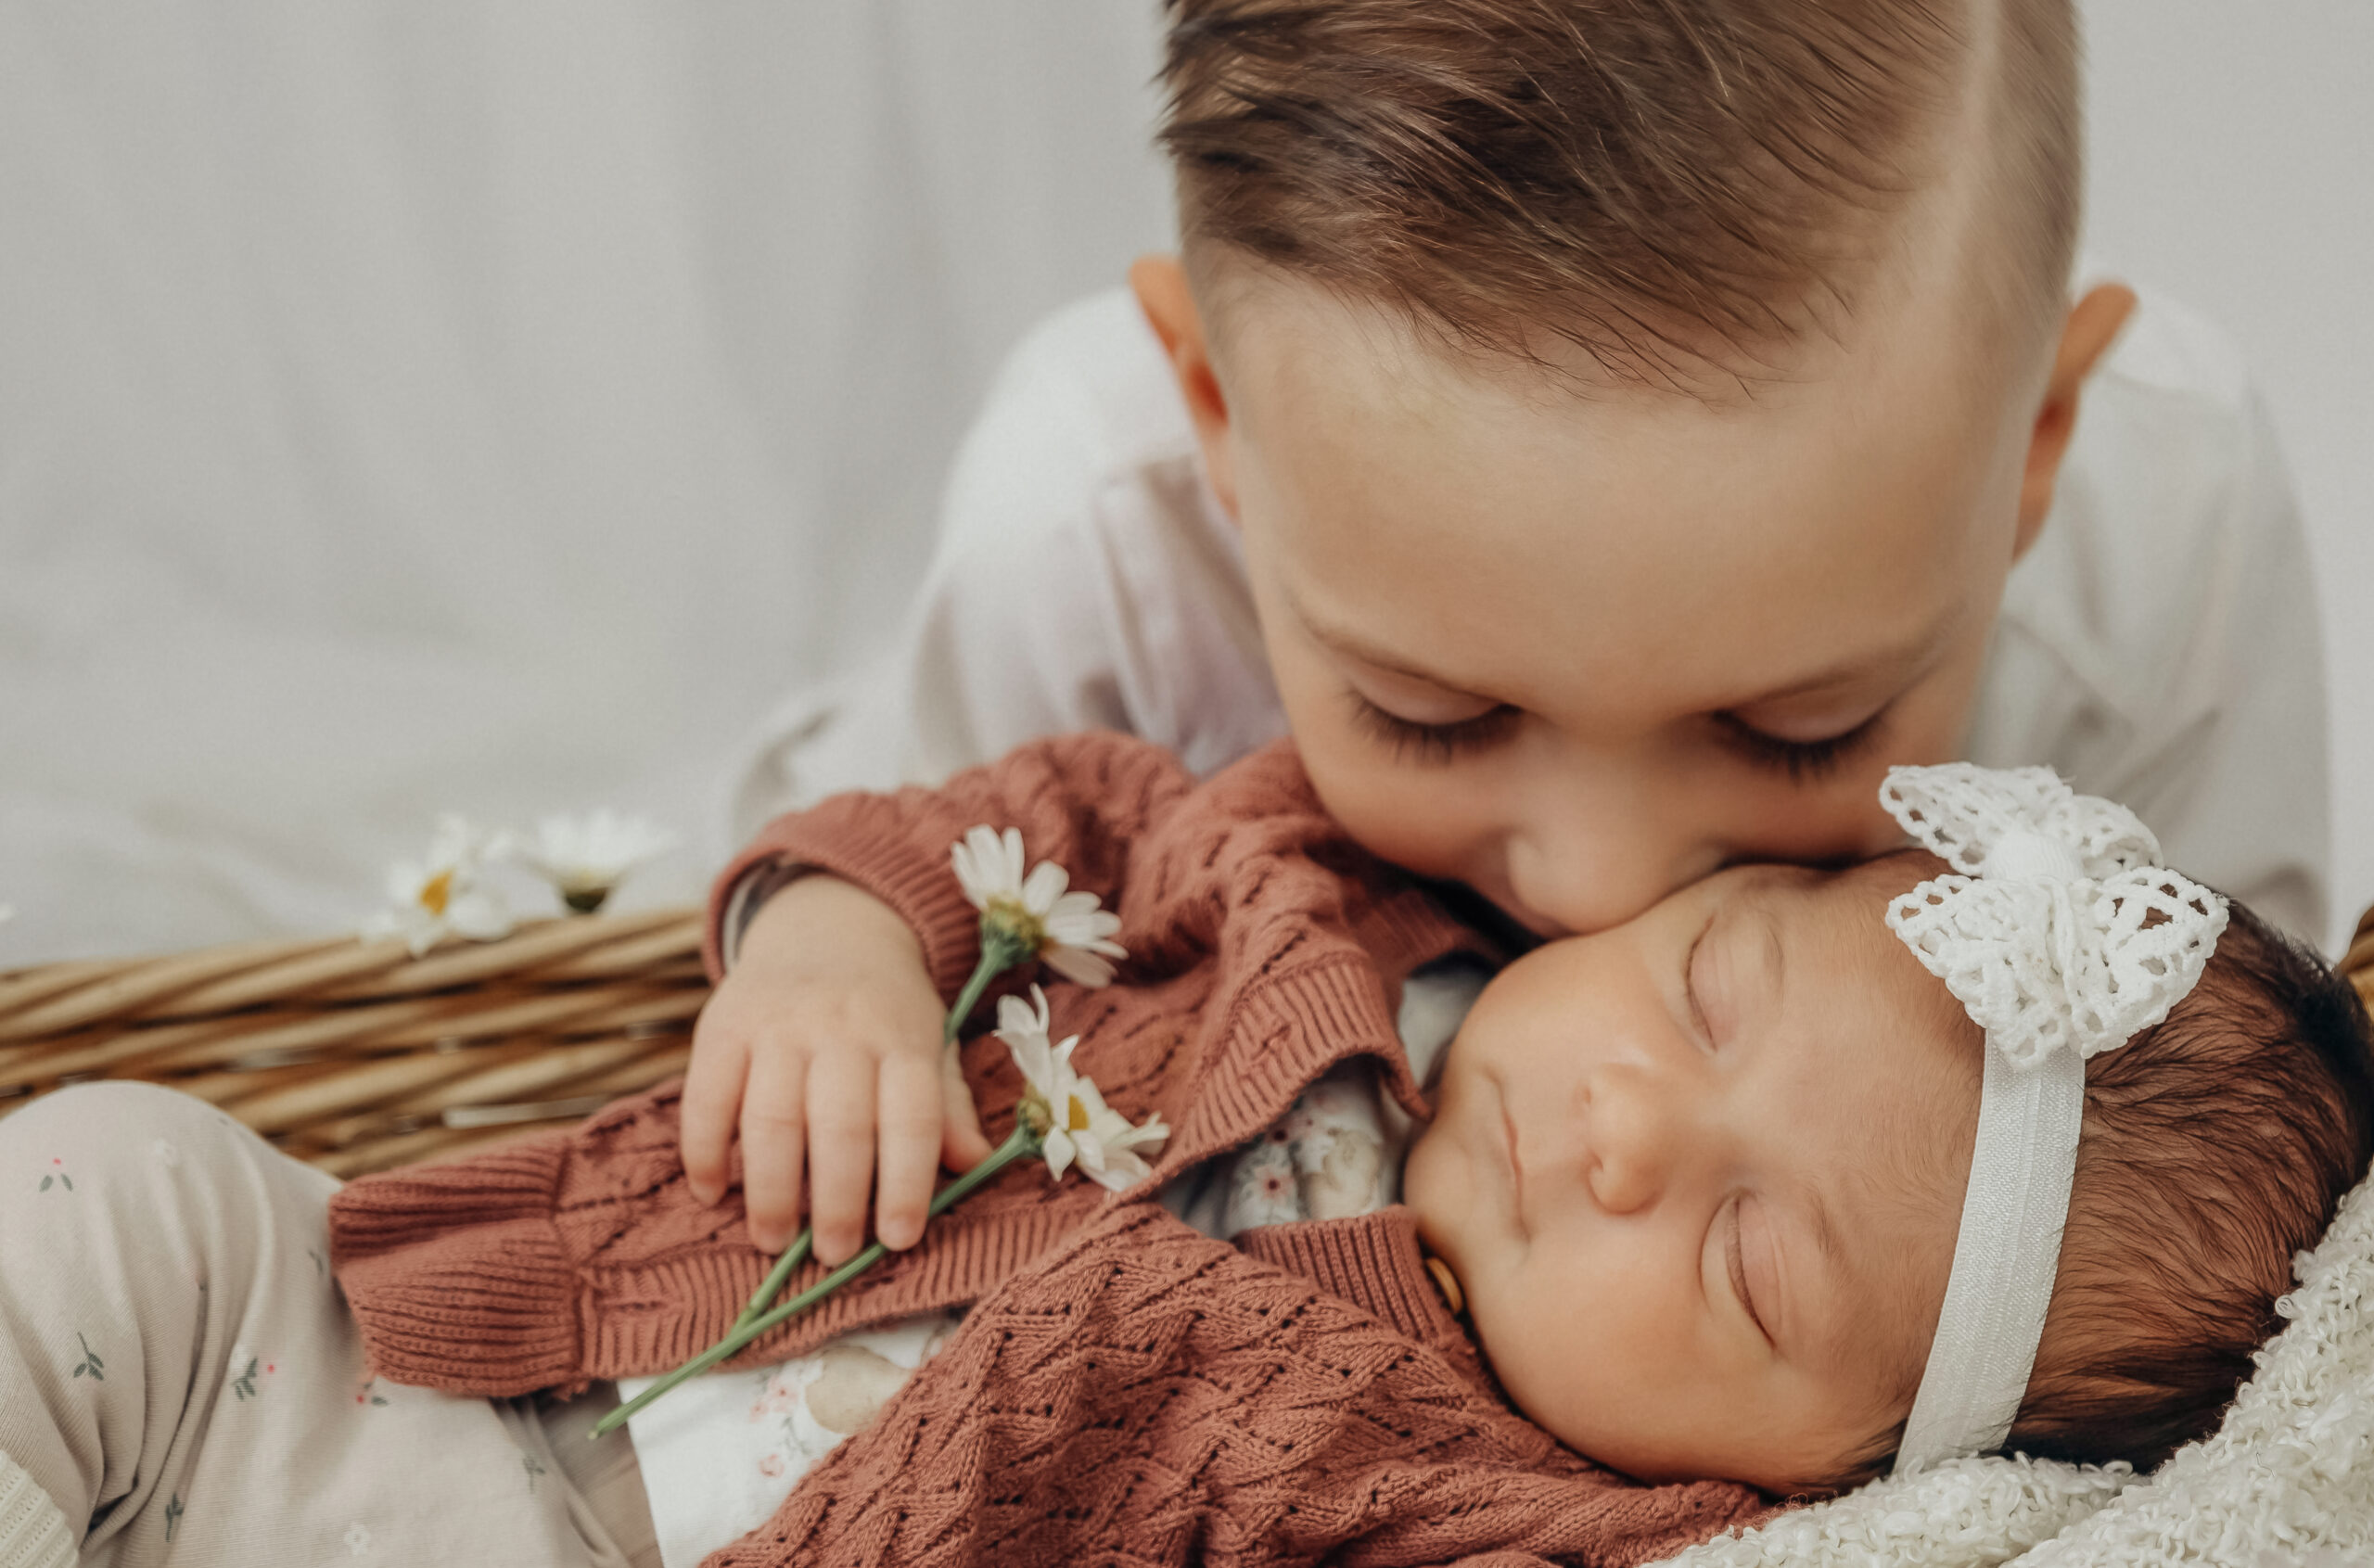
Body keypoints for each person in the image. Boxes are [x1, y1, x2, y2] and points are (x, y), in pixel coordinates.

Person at [704, 0, 2333, 1278]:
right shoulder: (1089, 544)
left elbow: (2232, 1180)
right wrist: (841, 966)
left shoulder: (2161, 541)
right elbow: (928, 902)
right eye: (1434, 714)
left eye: (1799, 730)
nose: (1598, 886)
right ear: (1217, 417)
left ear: (2036, 441)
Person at [6, 739, 2364, 1568]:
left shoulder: (1520, 1505)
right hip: (397, 1364)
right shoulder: (1310, 901)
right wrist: (838, 950)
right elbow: (1039, 810)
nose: (1627, 1128)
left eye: (1751, 1265)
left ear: (1823, 1477)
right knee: (126, 1184)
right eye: (1705, 989)